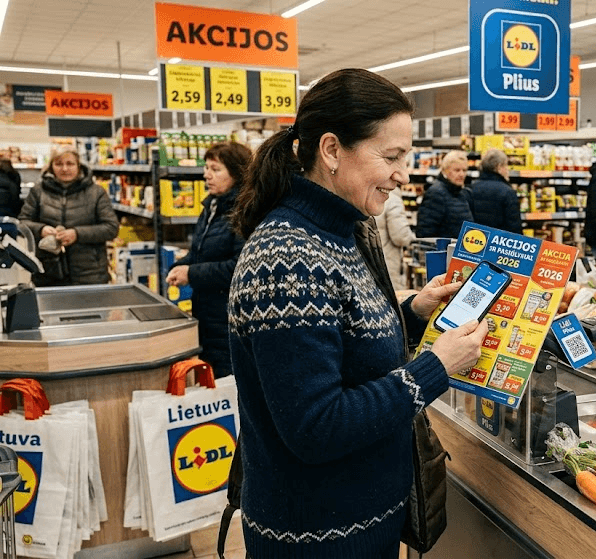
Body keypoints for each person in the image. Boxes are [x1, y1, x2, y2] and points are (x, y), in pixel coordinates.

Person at [228, 68, 488, 557]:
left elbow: (342, 345)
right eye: (390, 157)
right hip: (314, 536)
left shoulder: (341, 232)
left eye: (404, 157)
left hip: (363, 522)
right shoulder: (287, 260)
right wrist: (435, 369)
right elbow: (316, 427)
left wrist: (414, 311)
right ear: (330, 150)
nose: (402, 174)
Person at [166, 141, 251, 378]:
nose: (206, 174)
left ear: (236, 173)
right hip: (207, 313)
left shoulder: (243, 211)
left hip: (230, 319)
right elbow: (201, 252)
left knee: (229, 383)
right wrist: (181, 265)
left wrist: (191, 274)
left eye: (215, 169)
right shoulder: (212, 206)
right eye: (206, 167)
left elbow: (240, 268)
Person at [18, 148, 118, 286]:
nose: (65, 169)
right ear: (51, 167)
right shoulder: (38, 192)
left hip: (90, 274)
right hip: (48, 274)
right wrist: (41, 229)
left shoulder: (96, 193)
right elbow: (22, 223)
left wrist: (77, 234)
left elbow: (111, 228)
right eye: (59, 164)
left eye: (70, 163)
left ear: (78, 166)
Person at [416, 150, 474, 239]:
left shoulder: (463, 193)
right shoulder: (435, 193)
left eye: (464, 170)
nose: (462, 174)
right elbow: (425, 233)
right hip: (445, 251)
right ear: (445, 170)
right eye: (457, 170)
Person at [465, 148, 522, 234]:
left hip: (476, 241)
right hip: (499, 243)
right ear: (499, 167)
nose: (508, 170)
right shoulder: (508, 192)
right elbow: (514, 227)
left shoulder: (470, 189)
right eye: (506, 166)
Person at [374, 187, 416, 291]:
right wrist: (413, 239)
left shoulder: (368, 196)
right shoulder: (392, 200)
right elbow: (401, 237)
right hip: (388, 262)